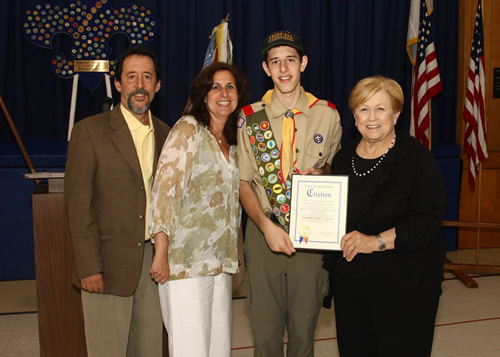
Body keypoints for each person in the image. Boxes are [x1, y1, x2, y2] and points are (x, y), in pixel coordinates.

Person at [323, 76, 447, 356]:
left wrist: (374, 242)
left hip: (405, 285)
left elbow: (427, 221)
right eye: (364, 109)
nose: (372, 117)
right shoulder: (343, 158)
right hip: (352, 285)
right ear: (354, 115)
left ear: (396, 114)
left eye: (381, 109)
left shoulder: (416, 159)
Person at [237, 31, 342, 356]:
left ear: (303, 63)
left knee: (303, 327)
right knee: (265, 331)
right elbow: (242, 183)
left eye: (291, 60)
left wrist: (321, 174)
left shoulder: (328, 114)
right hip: (262, 227)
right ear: (266, 68)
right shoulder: (250, 117)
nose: (284, 69)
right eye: (275, 62)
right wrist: (266, 227)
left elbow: (336, 173)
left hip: (311, 233)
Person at [64, 47, 170, 357]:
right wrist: (88, 266)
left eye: (147, 77)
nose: (140, 84)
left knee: (149, 350)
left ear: (157, 85)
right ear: (119, 84)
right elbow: (77, 205)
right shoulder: (89, 132)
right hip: (105, 268)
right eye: (132, 76)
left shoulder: (168, 135)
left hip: (154, 266)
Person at [148, 61, 250, 356]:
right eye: (215, 86)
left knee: (218, 348)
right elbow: (165, 192)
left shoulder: (233, 141)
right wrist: (161, 252)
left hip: (220, 265)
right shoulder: (188, 129)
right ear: (203, 94)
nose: (224, 93)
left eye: (230, 87)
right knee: (190, 348)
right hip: (185, 264)